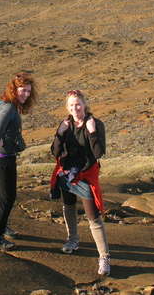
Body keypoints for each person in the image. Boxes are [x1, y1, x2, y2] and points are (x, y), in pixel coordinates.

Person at [50, 89, 111, 276]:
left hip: (86, 175)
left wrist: (92, 132)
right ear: (67, 107)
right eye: (71, 105)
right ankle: (72, 239)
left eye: (78, 104)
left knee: (93, 216)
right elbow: (54, 151)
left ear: (84, 105)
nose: (75, 108)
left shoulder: (95, 124)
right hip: (67, 173)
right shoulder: (66, 124)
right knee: (68, 206)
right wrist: (60, 134)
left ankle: (104, 257)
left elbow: (99, 153)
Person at [0, 71, 35, 251]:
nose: (26, 94)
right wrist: (4, 149)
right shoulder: (7, 108)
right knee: (8, 196)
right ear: (14, 89)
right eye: (23, 90)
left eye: (28, 91)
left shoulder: (7, 104)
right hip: (2, 158)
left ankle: (0, 226)